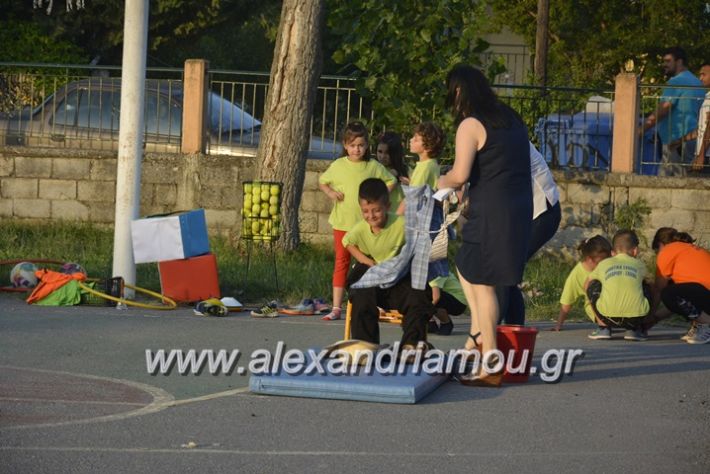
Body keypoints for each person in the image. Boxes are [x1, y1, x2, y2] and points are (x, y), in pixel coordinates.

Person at [437, 64, 532, 387]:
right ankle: (480, 340)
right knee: (468, 269)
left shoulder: (471, 124)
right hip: (517, 207)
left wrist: (440, 180)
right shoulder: (510, 117)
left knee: (481, 280)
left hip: (492, 210)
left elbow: (460, 174)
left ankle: (490, 361)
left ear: (459, 91)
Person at [343, 178, 433, 351]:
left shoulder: (401, 224)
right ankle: (365, 344)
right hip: (374, 279)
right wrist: (365, 260)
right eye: (366, 211)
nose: (371, 216)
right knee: (361, 285)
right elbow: (347, 242)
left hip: (397, 279)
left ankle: (412, 345)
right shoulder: (361, 228)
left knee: (419, 293)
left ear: (388, 207)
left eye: (376, 210)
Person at [318, 122, 396, 321]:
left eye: (361, 145)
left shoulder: (373, 166)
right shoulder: (338, 165)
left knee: (371, 263)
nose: (357, 149)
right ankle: (336, 307)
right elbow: (322, 181)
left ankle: (376, 303)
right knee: (342, 262)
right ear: (345, 145)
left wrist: (379, 198)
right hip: (342, 224)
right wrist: (331, 193)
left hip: (367, 227)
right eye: (353, 145)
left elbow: (391, 181)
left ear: (367, 145)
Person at [497, 142, 561, 325]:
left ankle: (490, 333)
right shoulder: (500, 134)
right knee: (507, 274)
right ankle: (512, 331)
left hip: (542, 213)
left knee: (505, 270)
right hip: (526, 215)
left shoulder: (509, 139)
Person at [642, 47, 705, 176]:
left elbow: (663, 109)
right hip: (691, 139)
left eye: (668, 61)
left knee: (667, 181)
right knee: (684, 178)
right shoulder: (697, 82)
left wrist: (641, 129)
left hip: (675, 141)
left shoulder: (676, 82)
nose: (664, 65)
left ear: (679, 62)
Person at [645, 227, 710, 344]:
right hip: (705, 295)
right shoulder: (689, 249)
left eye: (656, 251)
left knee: (668, 293)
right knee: (676, 292)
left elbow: (659, 290)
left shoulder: (667, 251)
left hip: (705, 295)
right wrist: (655, 319)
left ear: (660, 245)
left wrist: (648, 317)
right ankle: (700, 325)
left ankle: (706, 324)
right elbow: (682, 303)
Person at [584, 230, 651, 341]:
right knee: (646, 285)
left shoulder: (604, 264)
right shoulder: (640, 265)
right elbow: (653, 285)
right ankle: (634, 330)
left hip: (607, 316)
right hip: (635, 317)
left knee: (593, 284)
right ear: (635, 251)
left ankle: (603, 328)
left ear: (612, 253)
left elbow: (586, 285)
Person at [552, 235, 612, 331]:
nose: (607, 264)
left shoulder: (610, 265)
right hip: (598, 311)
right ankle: (604, 325)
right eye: (603, 261)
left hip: (615, 305)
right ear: (589, 259)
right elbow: (567, 301)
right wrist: (558, 325)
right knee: (592, 286)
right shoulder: (577, 274)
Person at [397, 121, 445, 215]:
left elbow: (412, 197)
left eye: (416, 140)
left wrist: (396, 216)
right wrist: (410, 183)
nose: (410, 140)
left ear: (428, 147)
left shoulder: (425, 168)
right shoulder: (431, 163)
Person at [375, 131, 409, 211]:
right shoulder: (374, 168)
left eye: (387, 153)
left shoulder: (406, 170)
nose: (382, 156)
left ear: (395, 153)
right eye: (380, 151)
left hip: (401, 215)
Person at [691, 62, 710, 173]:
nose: (700, 78)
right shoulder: (707, 96)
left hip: (707, 155)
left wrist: (701, 155)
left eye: (704, 74)